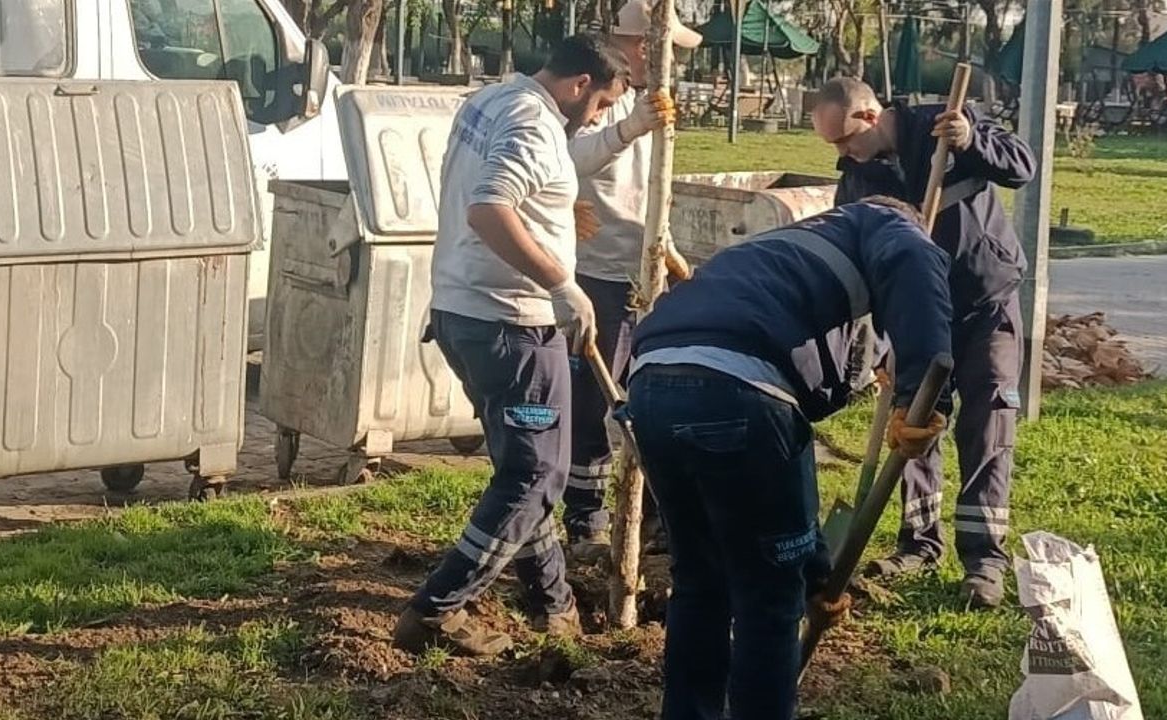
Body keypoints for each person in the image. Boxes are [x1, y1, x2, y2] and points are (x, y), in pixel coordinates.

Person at [626, 198, 953, 720]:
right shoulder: (888, 223)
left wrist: (819, 576)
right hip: (739, 390)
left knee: (700, 580)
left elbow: (787, 471)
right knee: (768, 598)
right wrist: (921, 395)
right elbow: (916, 264)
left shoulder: (778, 252)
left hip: (649, 388)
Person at [392, 34, 630, 658]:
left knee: (521, 465)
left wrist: (553, 213)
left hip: (460, 313)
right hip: (514, 329)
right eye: (602, 104)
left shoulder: (491, 100)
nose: (599, 118)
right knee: (536, 473)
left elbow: (514, 189)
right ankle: (437, 610)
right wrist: (562, 283)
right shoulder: (533, 124)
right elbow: (489, 208)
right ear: (580, 85)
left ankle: (551, 599)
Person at [810, 77, 1036, 608]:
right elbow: (865, 265)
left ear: (867, 116)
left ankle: (984, 560)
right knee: (915, 425)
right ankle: (919, 543)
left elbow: (1020, 166)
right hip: (917, 320)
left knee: (988, 424)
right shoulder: (857, 182)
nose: (843, 155)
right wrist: (888, 339)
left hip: (985, 303)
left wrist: (970, 142)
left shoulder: (947, 121)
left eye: (844, 141)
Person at [562, 0, 701, 562]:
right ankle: (587, 520)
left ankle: (656, 518)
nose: (676, 62)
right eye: (668, 48)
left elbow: (649, 188)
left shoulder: (652, 104)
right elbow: (566, 157)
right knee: (593, 400)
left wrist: (666, 247)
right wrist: (626, 127)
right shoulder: (598, 92)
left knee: (655, 398)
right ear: (644, 45)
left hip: (645, 273)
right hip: (598, 273)